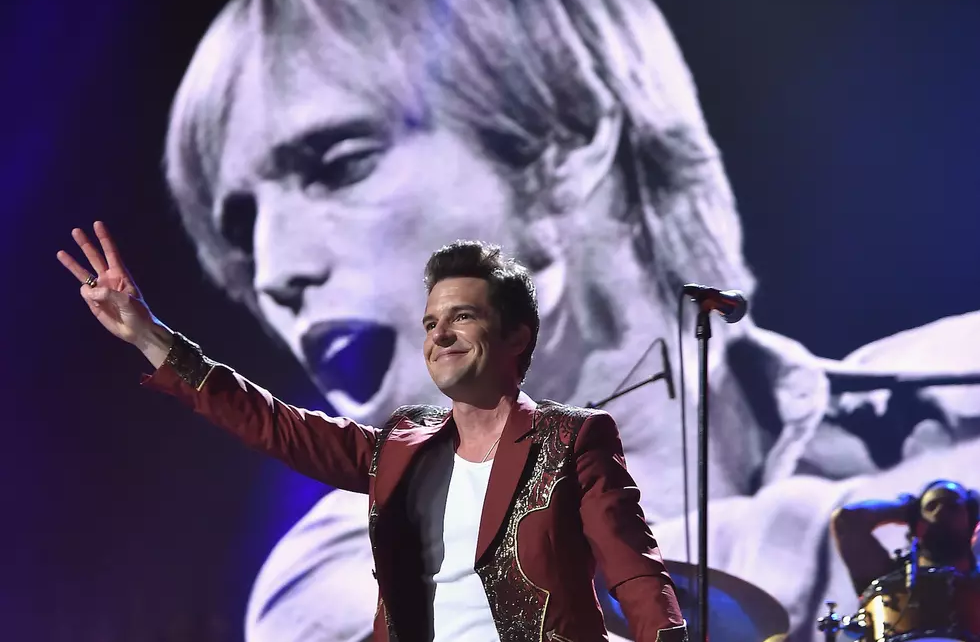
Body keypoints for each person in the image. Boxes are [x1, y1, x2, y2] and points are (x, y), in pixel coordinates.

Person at [157, 0, 980, 639]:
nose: (275, 268)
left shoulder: (959, 375)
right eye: (239, 226)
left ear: (567, 145)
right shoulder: (338, 574)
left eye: (339, 164)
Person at [56, 224, 688, 642]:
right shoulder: (400, 447)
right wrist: (147, 335)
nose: (437, 334)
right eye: (430, 320)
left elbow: (636, 574)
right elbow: (274, 424)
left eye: (461, 316)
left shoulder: (574, 439)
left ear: (517, 337)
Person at [831, 480, 980, 595]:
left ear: (972, 520)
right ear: (917, 522)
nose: (940, 512)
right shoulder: (888, 578)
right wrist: (904, 509)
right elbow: (847, 520)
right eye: (931, 507)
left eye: (952, 506)